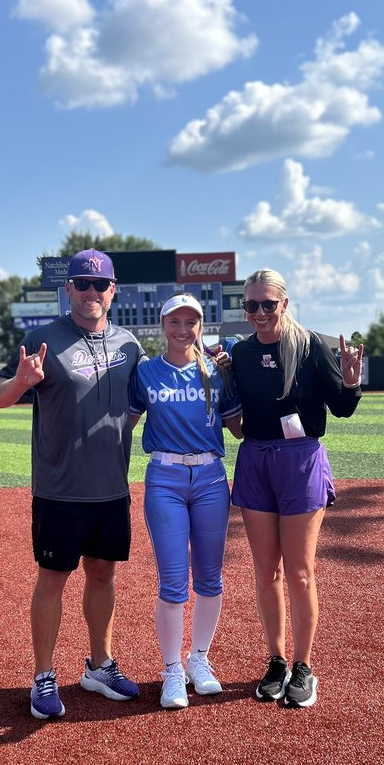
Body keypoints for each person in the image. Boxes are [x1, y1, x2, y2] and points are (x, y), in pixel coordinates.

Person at [0, 249, 145, 720]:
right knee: (53, 578)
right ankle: (43, 675)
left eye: (100, 285)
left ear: (113, 291)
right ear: (69, 288)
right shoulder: (43, 340)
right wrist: (20, 383)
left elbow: (138, 403)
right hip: (59, 489)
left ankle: (100, 665)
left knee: (103, 574)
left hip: (111, 487)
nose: (91, 292)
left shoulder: (129, 345)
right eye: (82, 283)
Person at [228, 268, 363, 710]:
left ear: (284, 304)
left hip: (301, 461)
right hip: (255, 460)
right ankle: (276, 661)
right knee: (266, 571)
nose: (260, 312)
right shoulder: (241, 354)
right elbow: (235, 418)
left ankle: (304, 666)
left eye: (268, 304)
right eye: (252, 305)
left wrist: (351, 381)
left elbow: (342, 409)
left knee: (300, 572)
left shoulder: (311, 346)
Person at [129, 294, 243, 710]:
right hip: (165, 479)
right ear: (163, 325)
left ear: (200, 325)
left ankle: (199, 659)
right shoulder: (145, 372)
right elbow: (123, 423)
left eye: (190, 322)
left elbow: (239, 429)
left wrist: (241, 374)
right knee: (174, 582)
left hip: (211, 477)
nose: (182, 329)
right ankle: (172, 669)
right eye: (174, 321)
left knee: (211, 578)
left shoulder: (218, 370)